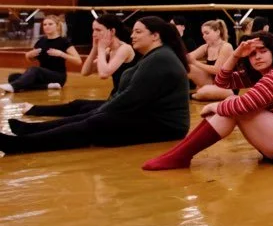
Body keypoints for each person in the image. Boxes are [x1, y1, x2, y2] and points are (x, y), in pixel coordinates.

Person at [0, 17, 190, 154]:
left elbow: (131, 96)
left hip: (165, 126)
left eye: (138, 32)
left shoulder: (160, 58)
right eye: (133, 31)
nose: (132, 35)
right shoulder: (154, 56)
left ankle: (23, 144)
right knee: (90, 114)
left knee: (96, 121)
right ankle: (31, 132)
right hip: (149, 116)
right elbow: (128, 94)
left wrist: (102, 111)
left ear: (155, 36)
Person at [142, 33, 273, 170]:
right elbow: (221, 82)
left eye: (263, 51)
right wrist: (235, 55)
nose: (257, 57)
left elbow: (244, 105)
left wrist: (215, 106)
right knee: (233, 103)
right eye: (252, 54)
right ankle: (180, 154)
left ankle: (180, 155)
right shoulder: (261, 74)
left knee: (235, 104)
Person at [21, 14, 135, 118]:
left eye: (98, 30)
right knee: (78, 104)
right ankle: (35, 109)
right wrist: (95, 48)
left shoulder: (124, 48)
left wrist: (100, 48)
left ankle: (35, 111)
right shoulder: (109, 51)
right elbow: (85, 72)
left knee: (84, 111)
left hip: (124, 103)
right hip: (115, 99)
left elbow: (104, 74)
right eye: (93, 30)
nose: (94, 34)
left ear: (112, 31)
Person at [1, 15, 81, 94]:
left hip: (57, 76)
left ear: (57, 26)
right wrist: (29, 55)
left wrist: (61, 54)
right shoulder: (41, 41)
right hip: (41, 75)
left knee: (34, 70)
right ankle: (46, 86)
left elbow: (78, 61)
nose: (47, 26)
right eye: (45, 24)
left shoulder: (64, 42)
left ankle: (13, 87)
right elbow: (31, 59)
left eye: (50, 24)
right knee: (13, 77)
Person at [188, 19, 235, 101]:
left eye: (207, 33)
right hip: (212, 82)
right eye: (203, 34)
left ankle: (195, 95)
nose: (204, 36)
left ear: (217, 32)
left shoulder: (226, 46)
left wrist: (195, 62)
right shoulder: (206, 47)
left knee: (202, 93)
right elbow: (187, 57)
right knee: (187, 67)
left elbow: (217, 70)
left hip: (227, 86)